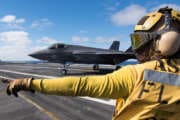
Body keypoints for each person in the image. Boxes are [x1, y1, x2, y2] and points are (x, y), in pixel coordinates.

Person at [2, 7, 180, 120]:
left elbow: (81, 84)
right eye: (135, 42)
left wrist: (27, 82)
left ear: (165, 42)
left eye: (142, 41)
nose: (138, 49)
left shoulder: (136, 74)